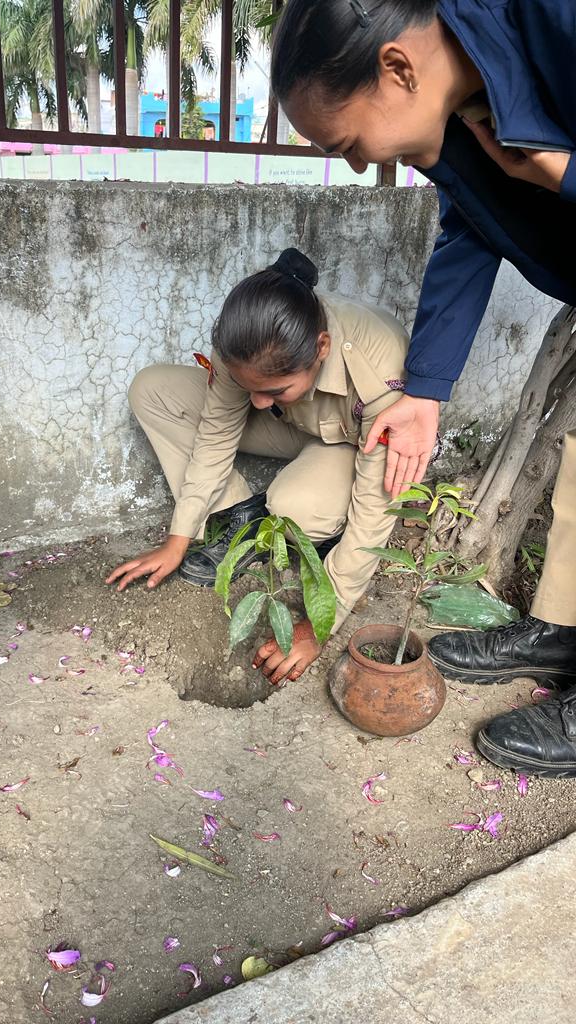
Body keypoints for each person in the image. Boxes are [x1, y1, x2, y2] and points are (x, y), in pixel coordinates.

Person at [270, 0, 576, 775]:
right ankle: (564, 633)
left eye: (345, 143)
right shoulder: (460, 112)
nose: (353, 165)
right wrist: (425, 390)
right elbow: (471, 228)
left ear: (397, 68)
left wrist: (563, 172)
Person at [107, 248, 410, 685]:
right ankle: (239, 516)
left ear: (321, 348)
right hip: (288, 426)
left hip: (348, 442)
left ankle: (305, 524)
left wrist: (320, 625)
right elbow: (216, 435)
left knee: (294, 508)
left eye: (274, 388)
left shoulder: (378, 366)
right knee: (153, 389)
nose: (256, 402)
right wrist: (179, 538)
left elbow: (376, 511)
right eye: (250, 388)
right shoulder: (245, 343)